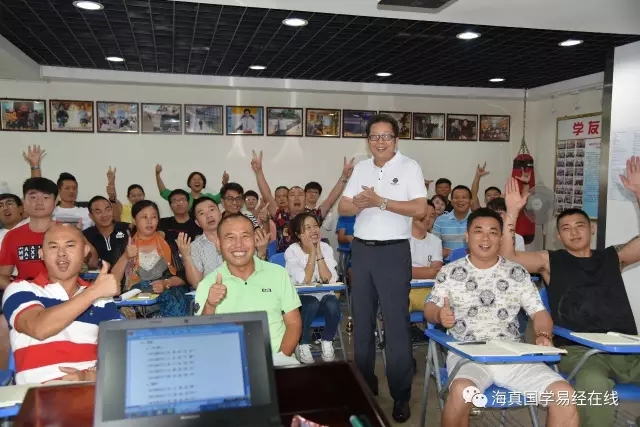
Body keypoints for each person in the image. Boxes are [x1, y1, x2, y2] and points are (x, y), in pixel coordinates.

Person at [500, 158, 640, 427]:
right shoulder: (550, 261)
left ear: (592, 229)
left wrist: (638, 195)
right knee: (594, 385)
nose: (574, 232)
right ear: (559, 238)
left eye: (580, 226)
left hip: (625, 347)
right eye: (566, 228)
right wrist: (512, 213)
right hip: (581, 353)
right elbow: (507, 259)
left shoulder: (613, 257)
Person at [424, 208, 578, 427]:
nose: (485, 238)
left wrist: (543, 334)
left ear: (501, 238)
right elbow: (430, 307)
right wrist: (439, 314)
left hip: (512, 354)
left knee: (564, 395)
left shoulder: (517, 273)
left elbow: (540, 313)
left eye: (493, 232)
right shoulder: (449, 272)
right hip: (468, 353)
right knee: (461, 392)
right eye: (478, 231)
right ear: (467, 236)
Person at [338, 113, 428, 422]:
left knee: (396, 326)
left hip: (393, 253)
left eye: (386, 137)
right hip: (362, 250)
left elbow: (420, 208)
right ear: (368, 141)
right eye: (374, 137)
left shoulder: (409, 166)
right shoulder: (362, 167)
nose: (380, 142)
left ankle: (400, 395)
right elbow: (343, 206)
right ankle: (365, 388)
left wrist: (381, 202)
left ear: (396, 140)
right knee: (361, 324)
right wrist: (364, 202)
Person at [2, 224, 121, 384]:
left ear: (85, 252)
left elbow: (119, 357)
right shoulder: (20, 290)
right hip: (36, 397)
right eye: (53, 247)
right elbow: (39, 328)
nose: (62, 254)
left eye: (70, 245)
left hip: (88, 392)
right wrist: (93, 292)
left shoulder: (102, 301)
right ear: (41, 254)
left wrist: (87, 377)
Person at [194, 214, 302, 366]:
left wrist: (280, 358)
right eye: (230, 238)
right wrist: (210, 305)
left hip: (277, 361)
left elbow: (293, 323)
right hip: (230, 365)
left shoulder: (278, 274)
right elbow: (200, 337)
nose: (239, 244)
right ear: (218, 244)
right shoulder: (207, 284)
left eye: (245, 236)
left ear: (255, 239)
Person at [111, 200, 188, 317]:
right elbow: (112, 280)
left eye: (154, 217)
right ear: (134, 221)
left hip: (169, 295)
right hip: (136, 301)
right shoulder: (124, 245)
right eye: (144, 217)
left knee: (175, 301)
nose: (149, 221)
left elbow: (183, 277)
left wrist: (166, 283)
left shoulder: (168, 243)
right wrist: (125, 257)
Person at [284, 212, 340, 364]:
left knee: (332, 302)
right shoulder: (292, 251)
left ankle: (327, 340)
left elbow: (328, 279)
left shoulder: (326, 247)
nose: (314, 230)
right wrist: (311, 253)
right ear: (298, 233)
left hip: (323, 301)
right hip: (302, 303)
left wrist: (319, 252)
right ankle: (303, 343)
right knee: (311, 302)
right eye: (307, 227)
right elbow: (305, 280)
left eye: (315, 226)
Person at [176, 197, 223, 288]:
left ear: (220, 213)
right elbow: (196, 283)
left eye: (212, 209)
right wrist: (186, 256)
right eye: (201, 213)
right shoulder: (195, 246)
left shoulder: (237, 237)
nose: (208, 215)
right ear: (197, 223)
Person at [83, 196, 130, 267]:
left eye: (107, 210)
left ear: (112, 210)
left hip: (128, 276)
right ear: (91, 216)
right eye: (98, 212)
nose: (104, 215)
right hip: (99, 276)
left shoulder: (127, 229)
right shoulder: (86, 235)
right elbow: (91, 263)